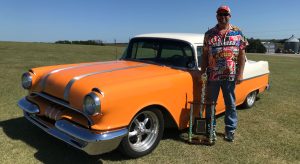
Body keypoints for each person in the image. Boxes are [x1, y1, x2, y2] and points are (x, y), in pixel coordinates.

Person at [200, 5, 248, 142]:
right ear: (216, 16)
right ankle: (210, 130)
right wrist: (202, 72)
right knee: (210, 104)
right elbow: (204, 56)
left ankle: (230, 130)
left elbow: (242, 55)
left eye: (225, 14)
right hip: (213, 75)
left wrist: (240, 74)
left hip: (230, 76)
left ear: (230, 16)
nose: (222, 17)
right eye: (220, 14)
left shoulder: (238, 32)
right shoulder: (208, 34)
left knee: (231, 104)